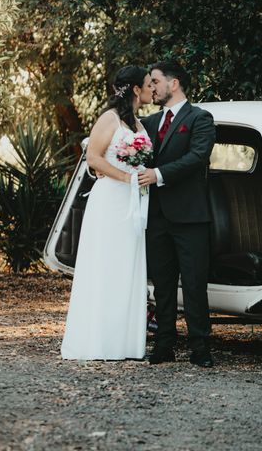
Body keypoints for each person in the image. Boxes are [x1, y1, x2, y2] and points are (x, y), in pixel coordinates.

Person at [61, 65, 153, 360]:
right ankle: (96, 341)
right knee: (105, 264)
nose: (153, 89)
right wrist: (126, 178)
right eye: (148, 84)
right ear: (136, 89)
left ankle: (124, 343)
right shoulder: (109, 118)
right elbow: (93, 158)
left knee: (127, 266)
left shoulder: (139, 123)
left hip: (133, 203)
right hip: (110, 200)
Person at [138, 60, 216, 367]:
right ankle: (164, 344)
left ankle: (201, 348)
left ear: (174, 83)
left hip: (191, 217)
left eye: (155, 81)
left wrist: (157, 174)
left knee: (195, 284)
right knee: (163, 284)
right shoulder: (149, 122)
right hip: (156, 217)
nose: (152, 87)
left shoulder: (200, 118)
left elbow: (198, 157)